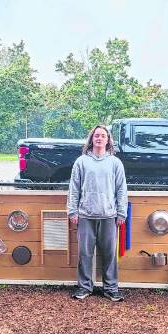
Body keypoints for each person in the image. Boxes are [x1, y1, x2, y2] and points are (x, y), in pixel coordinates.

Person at [67, 125, 128, 301]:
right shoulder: (81, 161)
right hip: (85, 215)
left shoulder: (115, 163)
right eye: (96, 136)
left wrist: (121, 213)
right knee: (85, 253)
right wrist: (72, 211)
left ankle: (111, 288)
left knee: (109, 253)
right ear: (91, 139)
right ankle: (84, 287)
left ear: (108, 140)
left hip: (109, 215)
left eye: (103, 136)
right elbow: (74, 188)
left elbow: (121, 190)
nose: (99, 138)